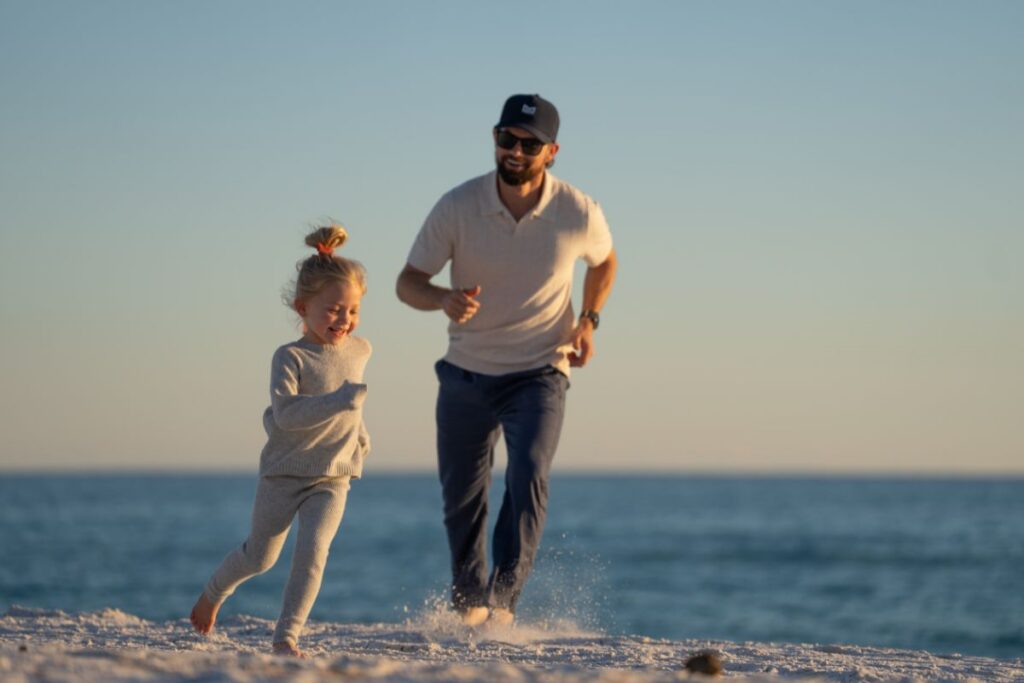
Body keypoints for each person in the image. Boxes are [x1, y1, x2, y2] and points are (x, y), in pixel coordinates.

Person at [396, 94, 618, 627]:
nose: (515, 151)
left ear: (553, 151)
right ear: (494, 139)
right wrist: (443, 298)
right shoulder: (457, 205)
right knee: (463, 502)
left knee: (528, 473)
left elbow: (606, 261)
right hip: (467, 371)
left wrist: (588, 320)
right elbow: (408, 283)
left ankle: (502, 604)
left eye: (529, 144)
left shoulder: (577, 211)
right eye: (506, 139)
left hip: (541, 370)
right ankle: (469, 605)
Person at [190, 224, 372, 656]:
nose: (343, 320)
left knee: (314, 552)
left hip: (333, 475)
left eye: (352, 311)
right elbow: (288, 414)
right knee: (260, 557)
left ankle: (285, 637)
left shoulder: (361, 350)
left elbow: (353, 405)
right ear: (303, 307)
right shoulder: (289, 357)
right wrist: (339, 402)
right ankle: (214, 592)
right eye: (332, 310)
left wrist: (360, 436)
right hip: (283, 472)